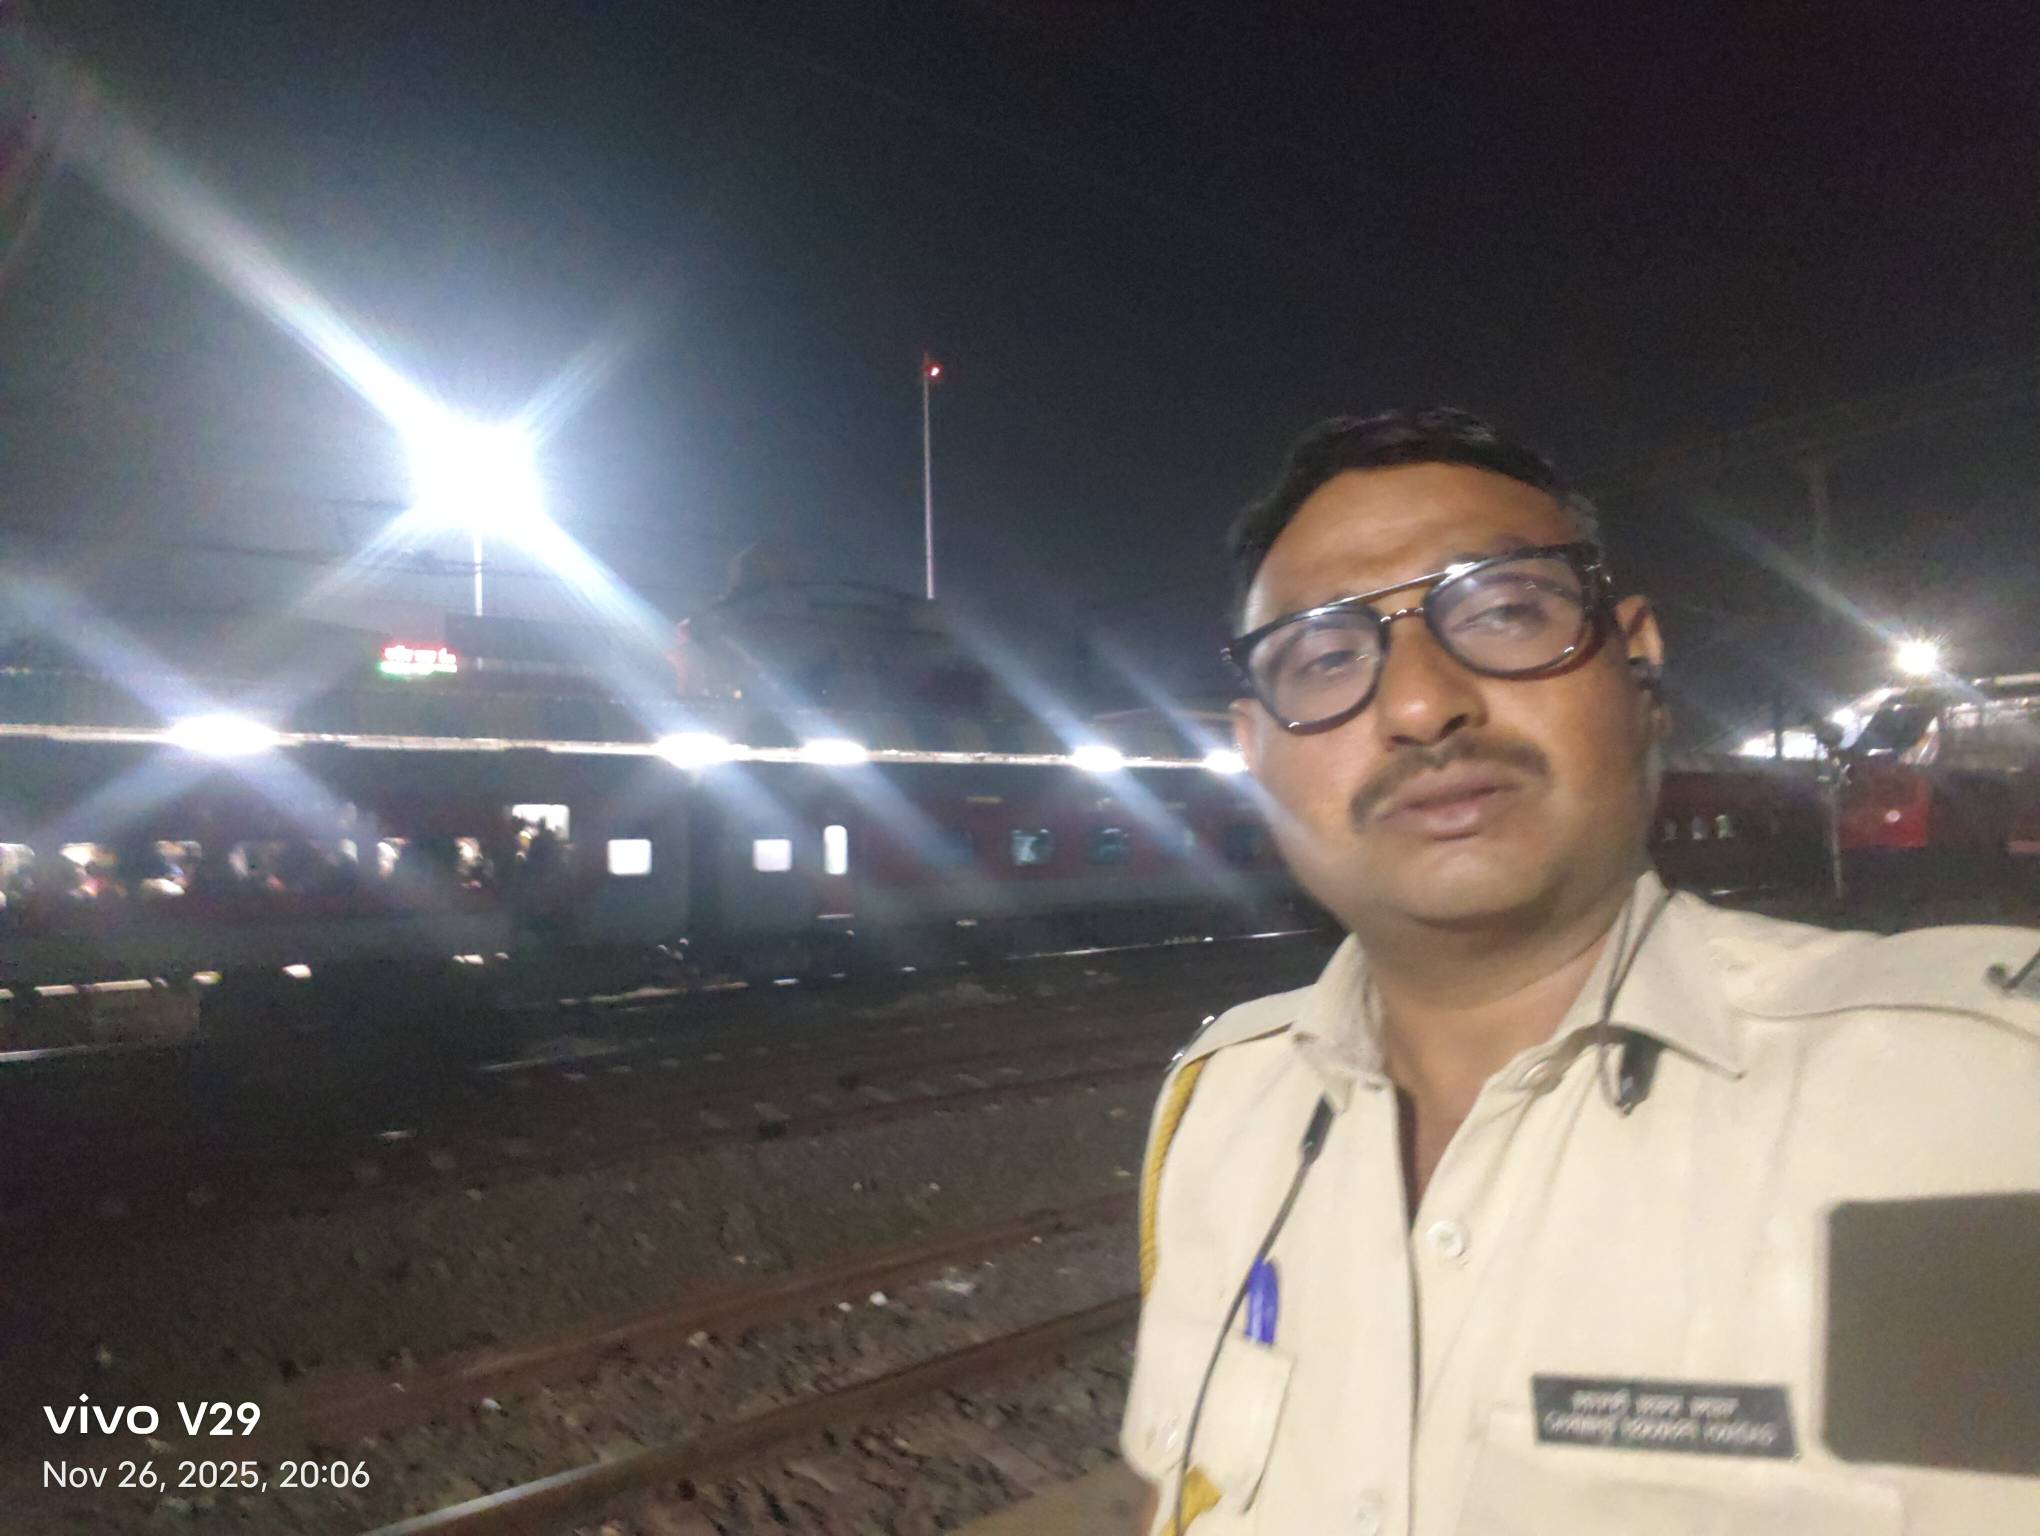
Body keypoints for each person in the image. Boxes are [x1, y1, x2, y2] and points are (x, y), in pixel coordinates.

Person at [1123, 408, 2039, 1534]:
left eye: (1503, 611)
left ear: (1637, 657)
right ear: (1253, 751)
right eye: (1323, 658)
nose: (1420, 704)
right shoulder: (1217, 1109)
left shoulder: (1987, 1093)